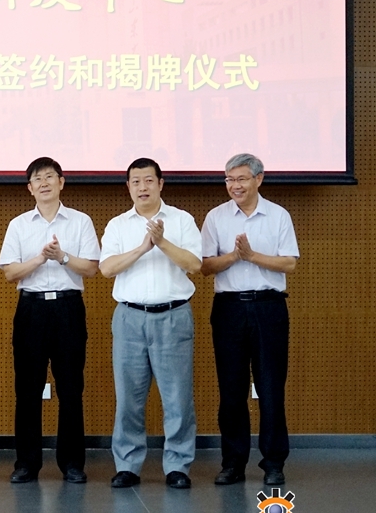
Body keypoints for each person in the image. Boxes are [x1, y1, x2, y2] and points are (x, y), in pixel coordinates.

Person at [99, 158, 201, 489]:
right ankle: (127, 465)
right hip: (129, 318)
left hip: (173, 316)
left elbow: (194, 264)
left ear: (160, 184)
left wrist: (163, 242)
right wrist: (144, 248)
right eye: (136, 181)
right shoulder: (118, 225)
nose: (142, 187)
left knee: (178, 398)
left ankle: (178, 465)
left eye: (148, 180)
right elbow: (107, 268)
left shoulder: (182, 220)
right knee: (128, 398)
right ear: (128, 187)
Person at [0, 157, 100, 484]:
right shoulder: (19, 225)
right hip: (32, 309)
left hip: (68, 309)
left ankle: (72, 464)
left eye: (49, 177)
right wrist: (41, 259)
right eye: (37, 179)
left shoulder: (80, 221)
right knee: (27, 389)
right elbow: (10, 272)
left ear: (61, 182)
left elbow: (91, 268)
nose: (44, 183)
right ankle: (26, 464)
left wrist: (63, 257)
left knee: (71, 388)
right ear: (30, 188)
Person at [200, 154, 299, 486]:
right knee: (231, 390)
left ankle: (273, 462)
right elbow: (205, 266)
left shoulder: (278, 216)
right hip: (228, 308)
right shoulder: (216, 217)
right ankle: (233, 462)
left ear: (259, 179)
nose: (234, 186)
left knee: (270, 387)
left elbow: (289, 264)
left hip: (269, 307)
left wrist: (252, 256)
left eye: (241, 179)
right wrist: (234, 256)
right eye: (229, 179)